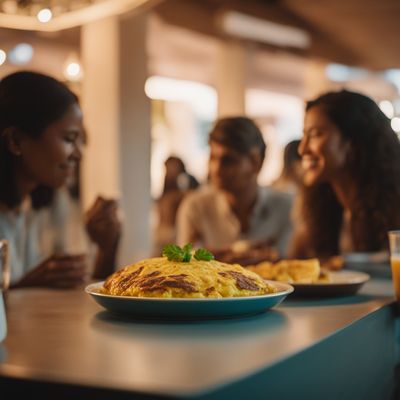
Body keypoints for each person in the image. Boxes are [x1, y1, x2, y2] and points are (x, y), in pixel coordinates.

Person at [0, 71, 121, 288]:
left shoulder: (31, 209)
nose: (79, 154)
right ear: (16, 141)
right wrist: (27, 285)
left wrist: (107, 247)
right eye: (69, 139)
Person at [289, 89, 400, 261]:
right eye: (304, 135)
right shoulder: (319, 209)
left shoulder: (394, 205)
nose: (302, 149)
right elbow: (294, 267)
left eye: (316, 134)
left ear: (353, 141)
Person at [176, 116, 293, 264]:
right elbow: (183, 265)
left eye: (228, 160)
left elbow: (293, 263)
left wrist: (275, 258)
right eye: (213, 157)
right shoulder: (195, 207)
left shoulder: (287, 207)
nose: (216, 169)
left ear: (255, 162)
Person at [153, 156, 199, 255]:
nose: (169, 170)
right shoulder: (167, 188)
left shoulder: (188, 186)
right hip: (163, 234)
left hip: (177, 234)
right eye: (166, 168)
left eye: (172, 167)